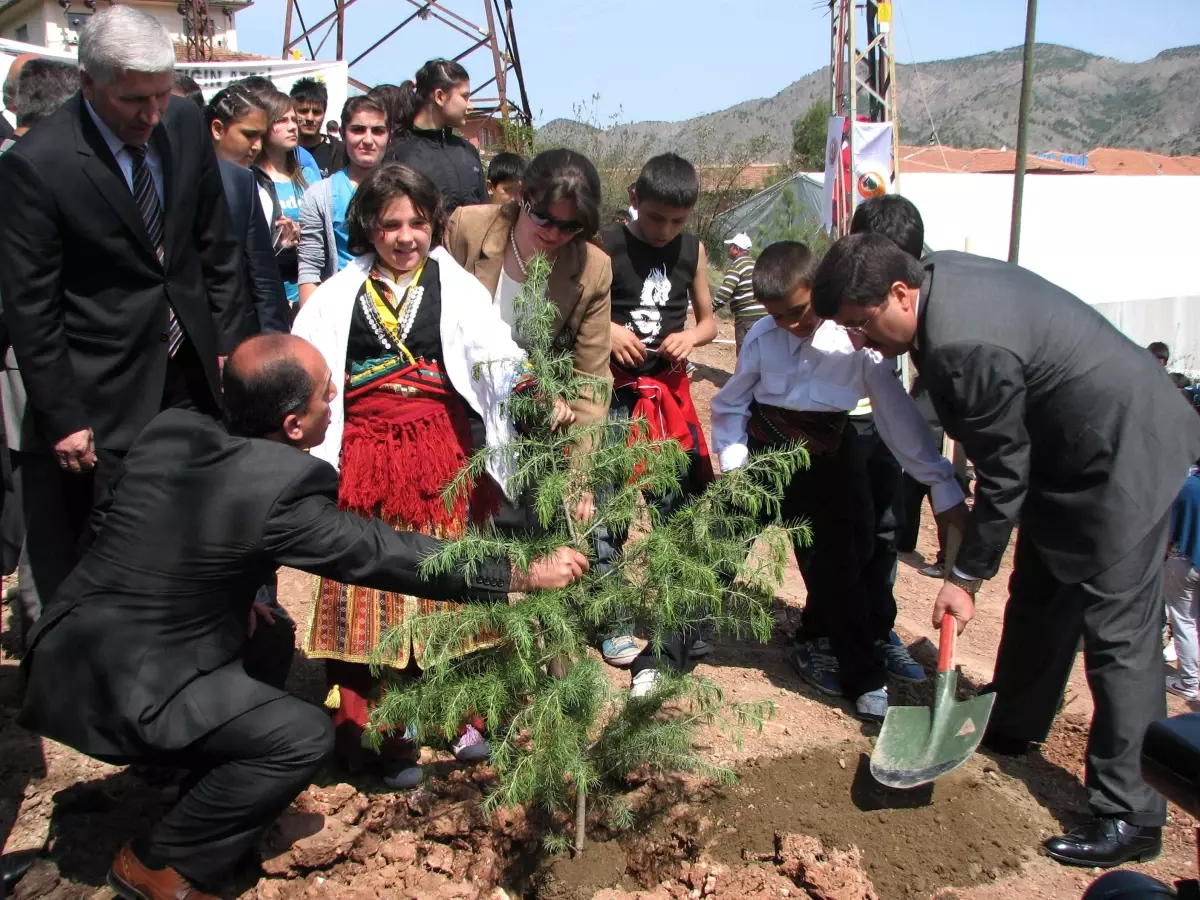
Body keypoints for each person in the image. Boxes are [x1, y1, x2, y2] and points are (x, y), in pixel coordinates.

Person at [16, 333, 587, 900]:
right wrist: (519, 573)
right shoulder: (281, 488)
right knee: (301, 735)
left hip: (60, 661)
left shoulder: (172, 431)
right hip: (124, 696)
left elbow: (119, 527)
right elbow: (385, 554)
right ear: (293, 425)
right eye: (325, 392)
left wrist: (226, 599)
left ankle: (188, 772)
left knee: (270, 635)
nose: (337, 393)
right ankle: (160, 864)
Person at [811, 230, 1200, 868]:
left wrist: (963, 576)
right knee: (1042, 591)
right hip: (1067, 453)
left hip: (1124, 452)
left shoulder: (965, 347)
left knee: (1117, 632)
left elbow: (1004, 474)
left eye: (861, 323)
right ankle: (1015, 724)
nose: (860, 340)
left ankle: (1131, 811)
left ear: (901, 293)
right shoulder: (934, 284)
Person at [0, 6, 250, 614]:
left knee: (195, 538)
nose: (152, 114)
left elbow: (217, 247)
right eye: (134, 99)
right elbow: (31, 302)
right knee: (86, 566)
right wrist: (61, 414)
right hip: (99, 393)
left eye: (162, 95)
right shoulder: (39, 165)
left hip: (190, 376)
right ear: (89, 84)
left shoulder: (186, 124)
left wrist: (232, 348)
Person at [292, 163, 532, 784]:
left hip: (441, 459)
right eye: (390, 223)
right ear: (368, 225)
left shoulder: (457, 289)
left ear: (434, 224)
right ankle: (385, 735)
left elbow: (493, 350)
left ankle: (463, 718)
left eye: (418, 222)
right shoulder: (339, 296)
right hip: (365, 462)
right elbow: (307, 364)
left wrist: (529, 386)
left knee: (449, 580)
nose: (405, 236)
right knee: (372, 582)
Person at [711, 241, 964, 720]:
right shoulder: (763, 337)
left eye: (798, 311)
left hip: (831, 460)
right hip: (764, 457)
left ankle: (864, 677)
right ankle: (668, 651)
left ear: (817, 293)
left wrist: (940, 481)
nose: (790, 324)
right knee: (716, 554)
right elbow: (730, 403)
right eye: (777, 314)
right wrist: (736, 467)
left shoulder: (853, 341)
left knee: (844, 571)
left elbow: (896, 416)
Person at [596, 152, 717, 691]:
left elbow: (710, 320)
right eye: (656, 219)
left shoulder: (694, 250)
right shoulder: (606, 244)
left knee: (676, 508)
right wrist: (610, 330)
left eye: (677, 221)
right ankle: (612, 621)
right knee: (611, 507)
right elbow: (572, 310)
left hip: (666, 397)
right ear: (635, 200)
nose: (666, 231)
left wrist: (691, 337)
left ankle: (680, 619)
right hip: (614, 399)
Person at [444, 147, 611, 449]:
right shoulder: (467, 229)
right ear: (522, 195)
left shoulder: (593, 269)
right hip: (456, 404)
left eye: (569, 227)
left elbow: (591, 380)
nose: (553, 234)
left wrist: (579, 473)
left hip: (533, 423)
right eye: (543, 218)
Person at [0, 55, 84, 651]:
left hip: (41, 365)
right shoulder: (26, 173)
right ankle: (47, 650)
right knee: (41, 513)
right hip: (28, 365)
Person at [204, 86, 289, 334]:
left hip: (245, 328)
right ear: (218, 129)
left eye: (261, 137)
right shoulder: (180, 180)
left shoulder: (254, 183)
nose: (257, 146)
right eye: (249, 135)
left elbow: (262, 273)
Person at [297, 94, 389, 304]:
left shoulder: (406, 190)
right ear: (342, 134)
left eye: (377, 131)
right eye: (358, 129)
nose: (368, 139)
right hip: (342, 307)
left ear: (388, 136)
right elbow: (309, 268)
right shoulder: (320, 194)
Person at [383, 59, 487, 213]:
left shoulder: (468, 152)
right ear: (439, 96)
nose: (470, 106)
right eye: (465, 96)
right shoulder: (399, 154)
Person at [253, 89, 320, 308]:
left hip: (306, 289)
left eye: (293, 119)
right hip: (269, 293)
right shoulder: (252, 178)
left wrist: (306, 232)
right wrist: (276, 241)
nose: (292, 126)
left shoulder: (308, 174)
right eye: (282, 120)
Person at [1166, 472, 1200, 699]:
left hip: (1186, 561)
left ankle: (1188, 681)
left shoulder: (1187, 486)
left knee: (1184, 621)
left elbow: (1169, 533)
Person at [712, 233, 763, 353]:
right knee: (759, 351)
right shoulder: (756, 265)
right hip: (765, 316)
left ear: (736, 249)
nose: (728, 248)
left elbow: (725, 293)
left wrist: (710, 309)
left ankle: (743, 372)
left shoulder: (737, 266)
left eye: (730, 246)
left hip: (747, 317)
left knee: (744, 352)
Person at [290, 76, 345, 178]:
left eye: (316, 112)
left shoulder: (340, 153)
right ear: (292, 111)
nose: (310, 118)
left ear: (324, 113)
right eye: (303, 111)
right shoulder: (283, 151)